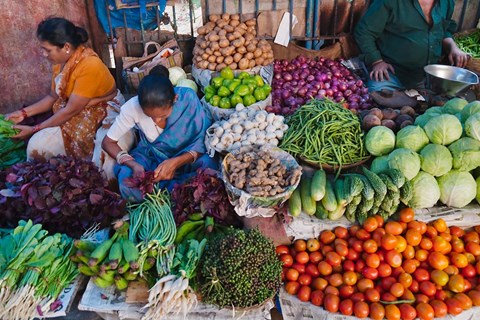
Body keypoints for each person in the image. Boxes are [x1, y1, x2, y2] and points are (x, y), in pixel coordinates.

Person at [6, 17, 124, 160]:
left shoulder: (89, 65)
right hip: (73, 107)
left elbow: (70, 110)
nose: (44, 54)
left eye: (47, 50)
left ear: (66, 47)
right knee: (36, 147)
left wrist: (33, 129)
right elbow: (53, 97)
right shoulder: (60, 61)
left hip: (104, 108)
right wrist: (23, 113)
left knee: (101, 159)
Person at [102, 74, 217, 202]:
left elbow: (203, 140)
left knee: (210, 165)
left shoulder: (187, 99)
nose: (156, 120)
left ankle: (166, 192)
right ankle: (181, 191)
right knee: (126, 178)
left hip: (188, 156)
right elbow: (108, 142)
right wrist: (134, 165)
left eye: (163, 115)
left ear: (175, 99)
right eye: (149, 116)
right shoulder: (133, 108)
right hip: (153, 157)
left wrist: (176, 162)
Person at [354, 0, 470, 92]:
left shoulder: (446, 2)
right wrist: (377, 61)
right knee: (377, 96)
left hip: (428, 76)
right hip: (392, 73)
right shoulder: (389, 2)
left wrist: (453, 47)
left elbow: (444, 29)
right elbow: (363, 32)